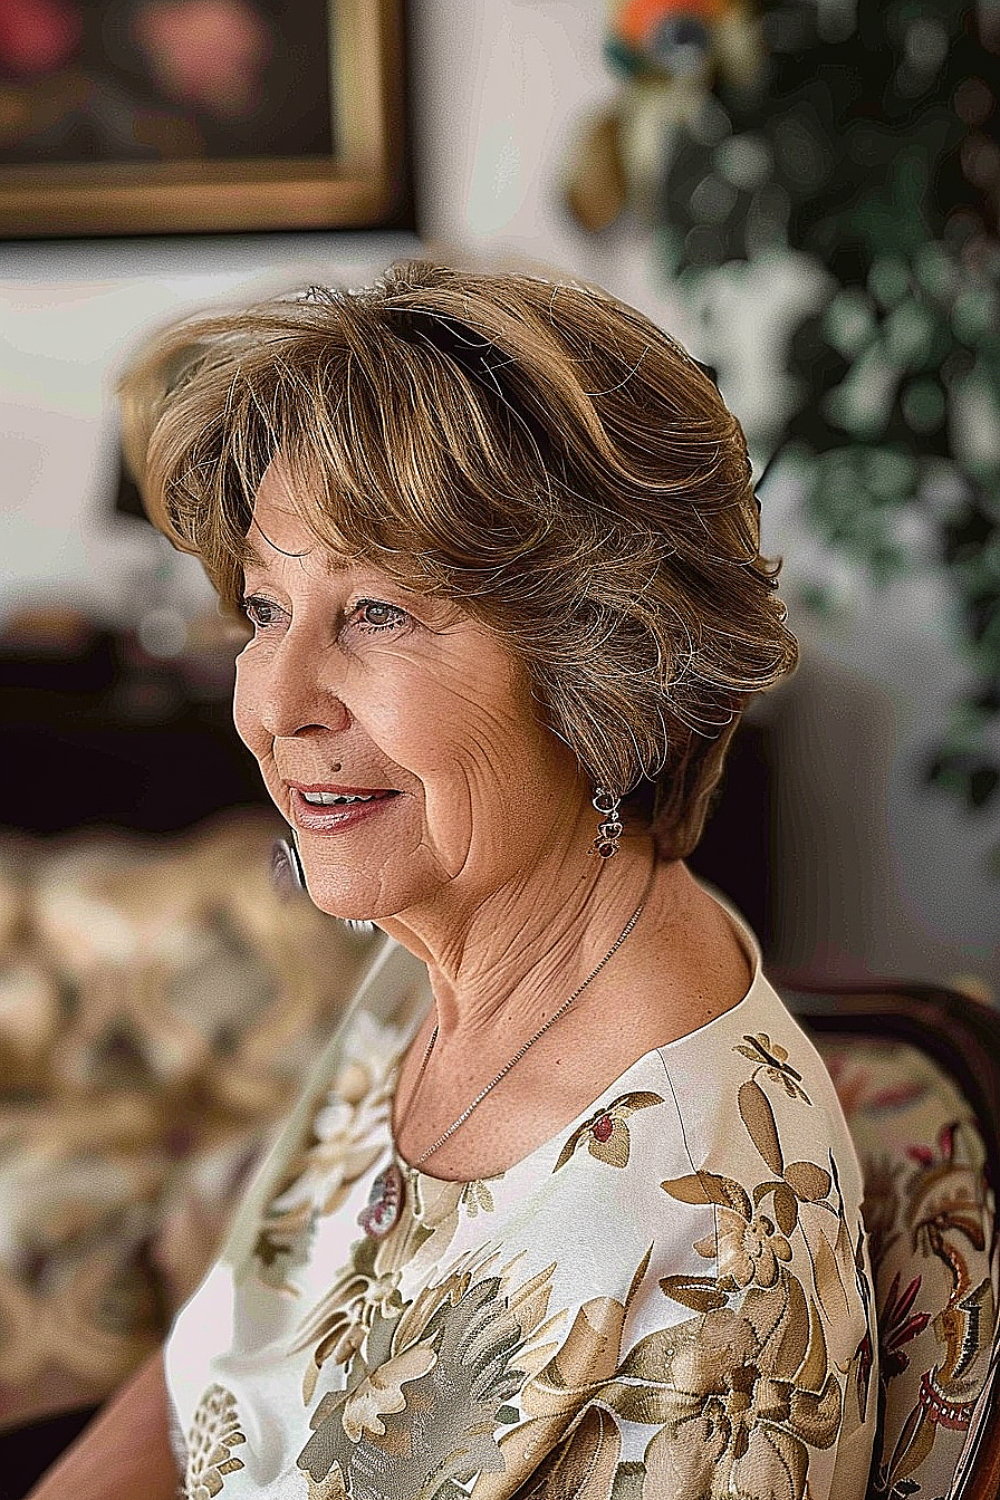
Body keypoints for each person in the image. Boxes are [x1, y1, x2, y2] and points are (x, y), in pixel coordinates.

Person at [30, 261, 878, 1499]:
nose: (272, 706)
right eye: (264, 610)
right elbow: (220, 1366)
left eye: (376, 612)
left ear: (601, 662)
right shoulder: (420, 964)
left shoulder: (692, 1253)